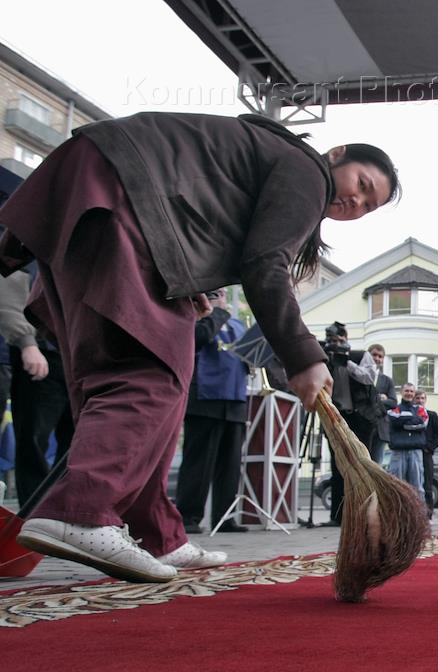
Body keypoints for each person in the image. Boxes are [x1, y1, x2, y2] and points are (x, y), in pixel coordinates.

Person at [2, 111, 399, 582]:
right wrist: (304, 356)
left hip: (99, 202)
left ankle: (157, 534)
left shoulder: (264, 157)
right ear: (337, 155)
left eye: (367, 206)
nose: (355, 201)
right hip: (121, 203)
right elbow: (265, 264)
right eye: (362, 184)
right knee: (151, 375)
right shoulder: (306, 169)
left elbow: (198, 213)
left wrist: (191, 284)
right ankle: (81, 512)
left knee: (149, 382)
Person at [175, 289, 250, 537]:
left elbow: (248, 357)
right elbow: (199, 339)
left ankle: (225, 517)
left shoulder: (238, 324)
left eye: (221, 294)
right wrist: (214, 314)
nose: (219, 298)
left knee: (231, 465)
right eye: (213, 294)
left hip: (235, 397)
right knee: (199, 461)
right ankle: (188, 516)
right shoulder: (195, 319)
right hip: (205, 397)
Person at [0, 263, 73, 510]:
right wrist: (27, 343)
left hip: (76, 355)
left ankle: (65, 509)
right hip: (41, 352)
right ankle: (35, 512)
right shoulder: (25, 249)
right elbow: (8, 291)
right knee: (33, 439)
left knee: (77, 442)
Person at [322, 321, 381, 527]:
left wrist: (346, 362)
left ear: (346, 340)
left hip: (360, 418)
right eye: (332, 341)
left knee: (362, 464)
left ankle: (365, 514)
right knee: (337, 466)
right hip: (335, 417)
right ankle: (337, 517)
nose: (336, 344)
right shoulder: (324, 358)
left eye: (339, 341)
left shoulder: (359, 355)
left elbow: (369, 377)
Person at [387, 382, 426, 494]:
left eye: (411, 391)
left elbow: (423, 424)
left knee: (417, 487)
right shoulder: (394, 409)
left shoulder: (420, 409)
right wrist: (413, 418)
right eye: (406, 391)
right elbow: (394, 421)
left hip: (416, 452)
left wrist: (402, 423)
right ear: (401, 392)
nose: (409, 393)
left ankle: (419, 506)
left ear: (414, 393)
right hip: (398, 452)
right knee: (396, 486)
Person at [366, 343, 397, 464]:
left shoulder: (387, 380)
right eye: (374, 355)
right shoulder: (358, 375)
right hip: (361, 426)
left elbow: (393, 402)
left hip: (380, 429)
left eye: (380, 356)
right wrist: (380, 399)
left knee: (376, 465)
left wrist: (376, 400)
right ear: (368, 355)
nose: (377, 358)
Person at [414, 389, 438, 514]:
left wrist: (429, 448)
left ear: (425, 400)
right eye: (417, 398)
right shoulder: (410, 415)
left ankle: (428, 513)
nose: (420, 401)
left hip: (426, 455)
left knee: (427, 484)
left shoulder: (432, 415)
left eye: (422, 398)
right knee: (414, 484)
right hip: (413, 453)